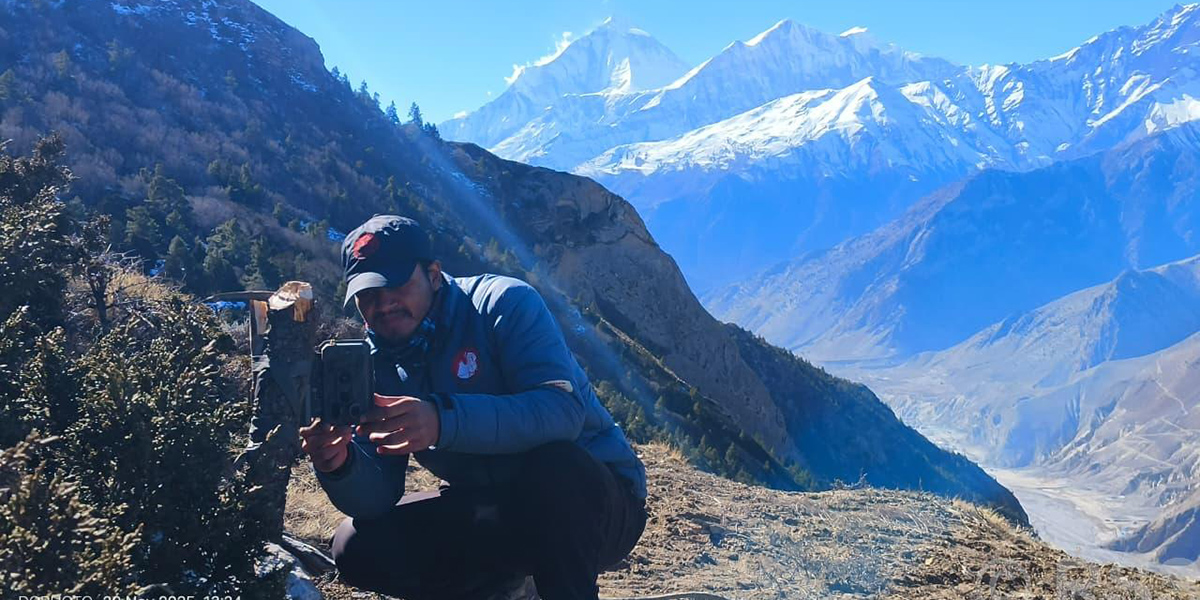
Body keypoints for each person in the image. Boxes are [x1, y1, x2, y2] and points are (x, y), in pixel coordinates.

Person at [298, 214, 648, 600]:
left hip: (598, 503)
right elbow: (377, 497)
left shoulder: (503, 304)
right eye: (367, 294)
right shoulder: (373, 363)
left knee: (555, 469)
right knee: (355, 546)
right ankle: (501, 587)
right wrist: (342, 465)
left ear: (433, 274)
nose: (383, 304)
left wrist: (442, 420)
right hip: (494, 505)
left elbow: (561, 412)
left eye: (396, 284)